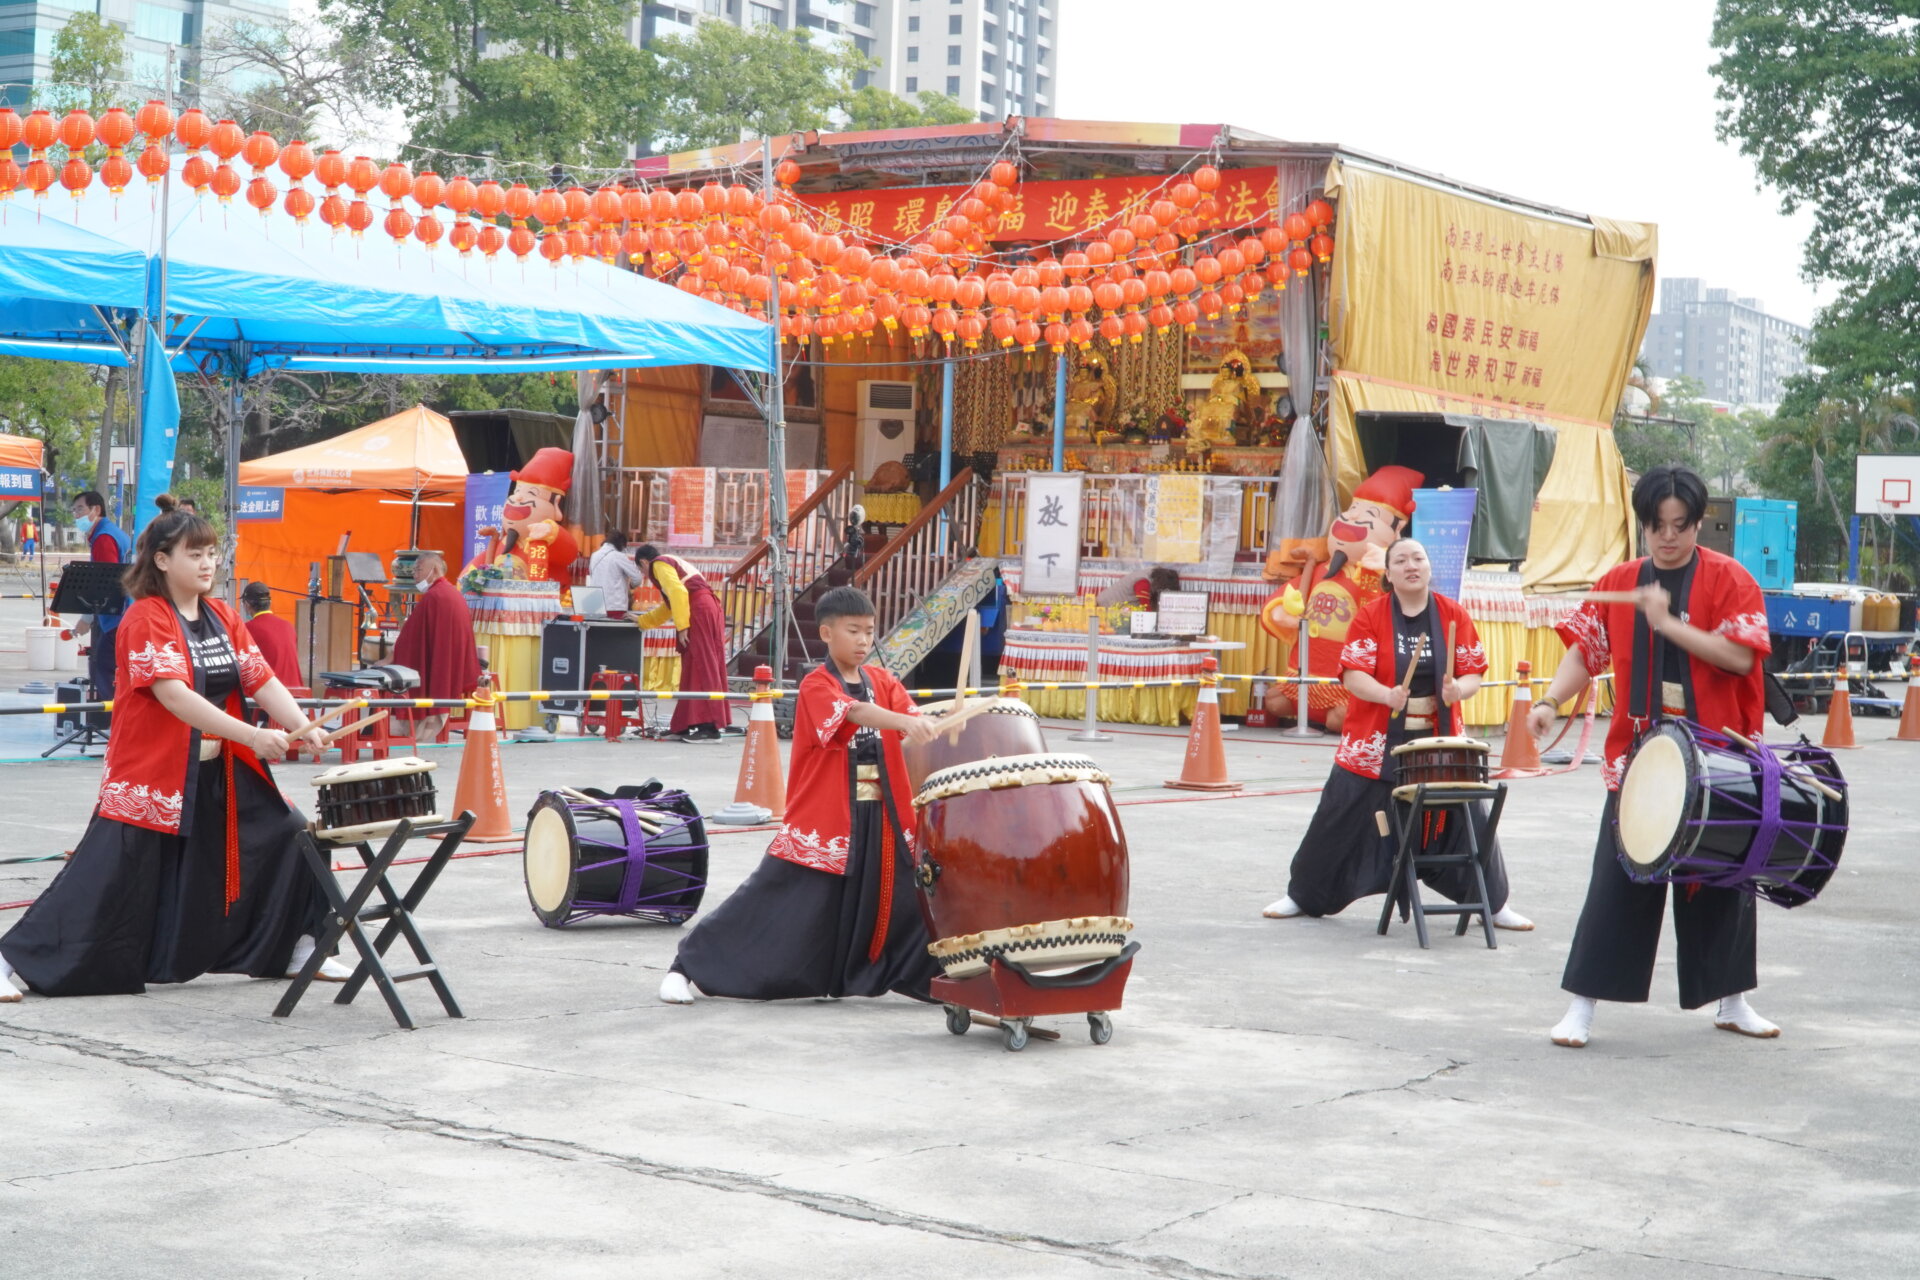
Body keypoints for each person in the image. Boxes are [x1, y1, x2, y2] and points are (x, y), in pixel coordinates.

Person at [0, 495, 352, 1003]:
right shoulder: (147, 617)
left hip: (219, 770)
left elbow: (260, 678)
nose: (208, 564)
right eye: (195, 554)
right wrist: (253, 735)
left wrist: (303, 725)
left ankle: (302, 946)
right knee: (107, 876)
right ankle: (11, 958)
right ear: (162, 560)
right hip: (152, 771)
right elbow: (173, 696)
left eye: (212, 554)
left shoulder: (224, 617)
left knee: (289, 833)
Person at [1534, 465, 1776, 1049]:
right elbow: (1583, 653)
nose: (1668, 537)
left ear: (1698, 523)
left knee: (1721, 884)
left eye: (1680, 525)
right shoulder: (1620, 580)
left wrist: (1668, 623)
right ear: (1643, 526)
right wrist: (1548, 700)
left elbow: (1741, 658)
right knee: (1617, 887)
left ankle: (1733, 1000)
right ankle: (1582, 1008)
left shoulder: (1731, 579)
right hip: (1640, 760)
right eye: (1656, 526)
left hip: (1717, 760)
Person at [659, 585, 941, 1005]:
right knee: (779, 900)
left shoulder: (883, 682)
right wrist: (906, 721)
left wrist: (942, 718)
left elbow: (915, 719)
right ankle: (688, 966)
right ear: (826, 634)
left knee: (909, 900)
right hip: (826, 820)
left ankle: (943, 981)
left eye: (869, 632)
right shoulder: (816, 685)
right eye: (853, 631)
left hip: (883, 818)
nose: (864, 641)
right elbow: (856, 713)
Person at [1263, 538, 1534, 929]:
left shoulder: (1452, 614)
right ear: (1388, 574)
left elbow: (1473, 670)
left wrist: (1460, 689)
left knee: (1467, 815)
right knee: (1340, 813)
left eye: (1418, 558)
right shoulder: (1370, 615)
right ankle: (1303, 895)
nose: (1411, 565)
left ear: (1428, 568)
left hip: (1437, 738)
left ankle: (1491, 903)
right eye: (1401, 560)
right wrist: (1387, 694)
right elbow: (1354, 675)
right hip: (1375, 737)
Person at [633, 544, 731, 742]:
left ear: (644, 562)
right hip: (703, 608)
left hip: (700, 611)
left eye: (641, 569)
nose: (644, 574)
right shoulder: (670, 563)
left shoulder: (658, 564)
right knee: (693, 668)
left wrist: (682, 626)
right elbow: (670, 606)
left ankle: (710, 728)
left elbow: (678, 592)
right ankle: (683, 725)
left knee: (702, 665)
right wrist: (643, 621)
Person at [392, 551, 483, 745]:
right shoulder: (450, 592)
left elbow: (410, 640)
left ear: (433, 569)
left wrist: (392, 656)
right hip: (456, 661)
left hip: (446, 662)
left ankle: (404, 725)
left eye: (418, 569)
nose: (414, 574)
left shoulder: (435, 596)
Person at [68, 490, 133, 707]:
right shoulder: (111, 533)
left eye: (80, 509)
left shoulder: (104, 538)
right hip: (121, 614)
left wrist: (86, 619)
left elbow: (105, 581)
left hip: (117, 616)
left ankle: (113, 717)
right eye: (74, 510)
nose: (76, 515)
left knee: (103, 667)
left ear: (96, 509)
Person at [240, 580, 303, 688]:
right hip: (299, 695)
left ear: (247, 605)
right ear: (270, 603)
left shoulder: (246, 629)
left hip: (269, 696)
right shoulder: (288, 626)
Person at [588, 530, 647, 619]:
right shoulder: (618, 556)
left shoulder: (594, 555)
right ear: (621, 545)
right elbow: (637, 578)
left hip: (596, 606)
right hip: (615, 606)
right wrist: (631, 585)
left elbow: (592, 575)